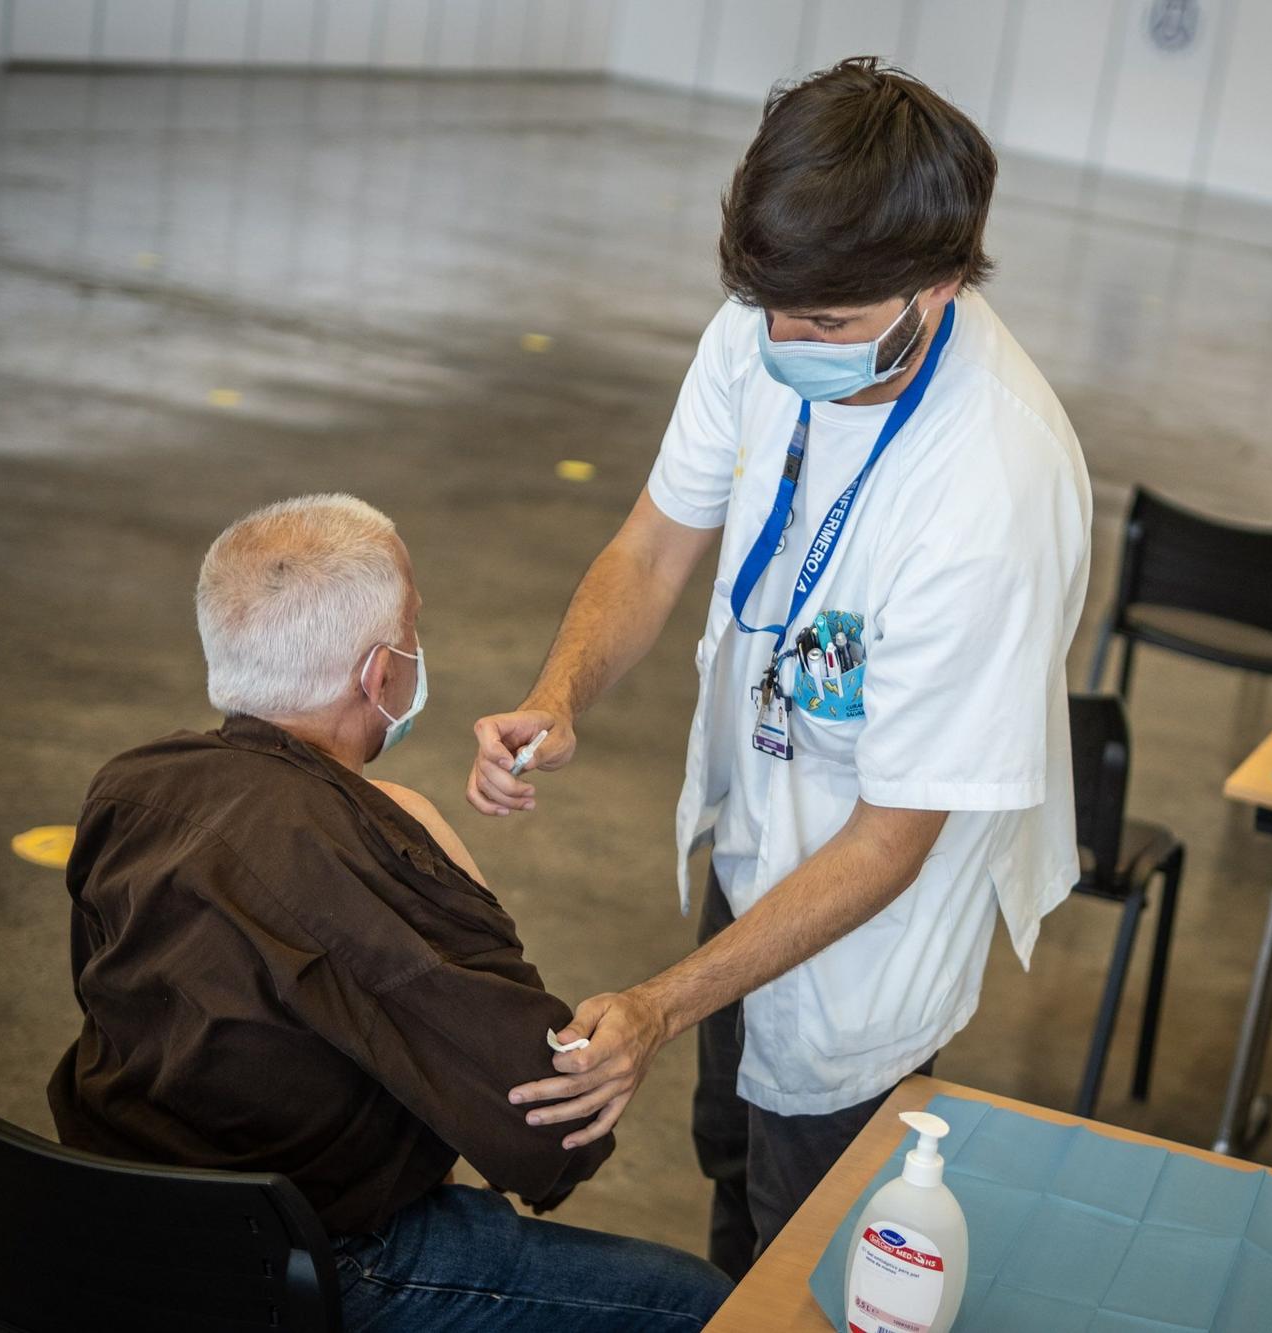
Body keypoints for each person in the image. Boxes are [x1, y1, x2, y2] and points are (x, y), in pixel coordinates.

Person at [465, 58, 1090, 1276]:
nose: (790, 345)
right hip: (759, 824)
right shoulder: (772, 317)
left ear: (943, 281)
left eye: (830, 329)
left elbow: (889, 841)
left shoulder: (993, 495)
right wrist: (560, 691)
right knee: (729, 1162)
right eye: (774, 315)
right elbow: (651, 548)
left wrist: (657, 1003)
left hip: (868, 930)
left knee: (812, 1228)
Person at [49, 495, 730, 1331]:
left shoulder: (131, 787)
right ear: (380, 675)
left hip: (106, 1216)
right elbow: (549, 1120)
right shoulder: (368, 854)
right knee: (700, 1304)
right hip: (300, 1261)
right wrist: (453, 875)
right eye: (414, 627)